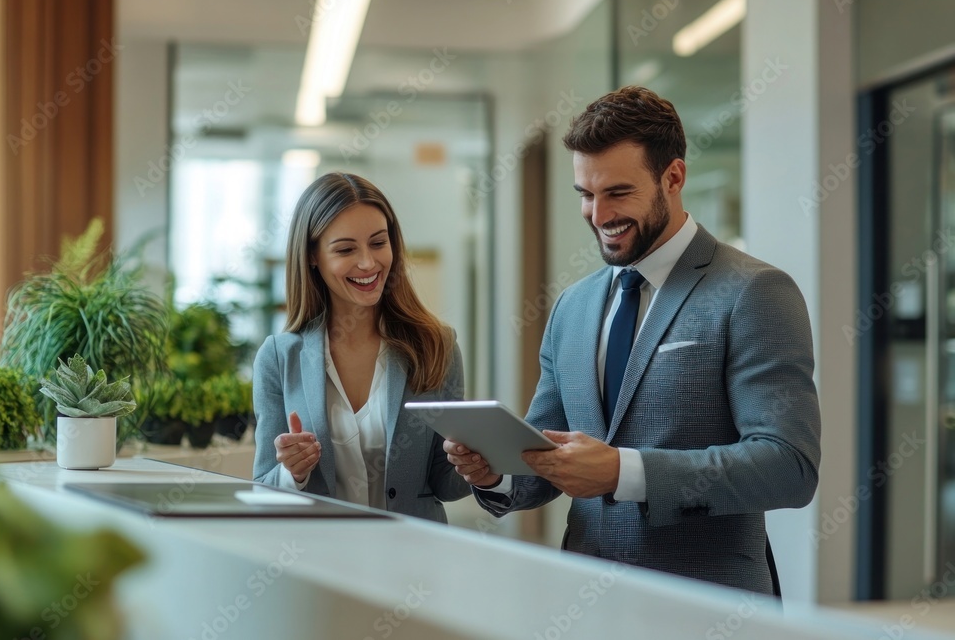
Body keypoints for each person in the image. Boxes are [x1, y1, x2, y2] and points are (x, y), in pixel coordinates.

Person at [445, 86, 821, 594]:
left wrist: (625, 471)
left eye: (617, 193)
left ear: (673, 177)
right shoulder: (572, 307)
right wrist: (495, 472)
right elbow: (546, 456)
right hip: (586, 601)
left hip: (707, 605)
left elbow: (788, 467)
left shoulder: (753, 292)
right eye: (585, 194)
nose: (598, 215)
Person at [253, 172, 470, 522]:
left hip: (415, 562)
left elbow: (445, 484)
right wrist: (293, 473)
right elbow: (263, 489)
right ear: (312, 256)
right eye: (346, 249)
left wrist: (476, 461)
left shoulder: (436, 345)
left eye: (378, 243)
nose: (368, 263)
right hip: (318, 561)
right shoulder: (279, 358)